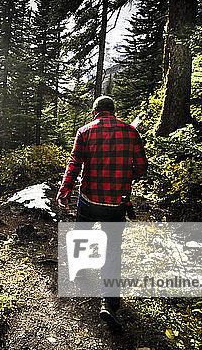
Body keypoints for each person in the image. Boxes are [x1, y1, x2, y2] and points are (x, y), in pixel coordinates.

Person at [57, 95, 148, 324]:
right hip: (116, 204)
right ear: (113, 111)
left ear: (95, 111)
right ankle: (109, 302)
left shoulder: (84, 132)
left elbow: (74, 164)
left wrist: (64, 191)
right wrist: (126, 179)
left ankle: (81, 274)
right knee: (112, 253)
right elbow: (141, 168)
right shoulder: (131, 132)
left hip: (89, 199)